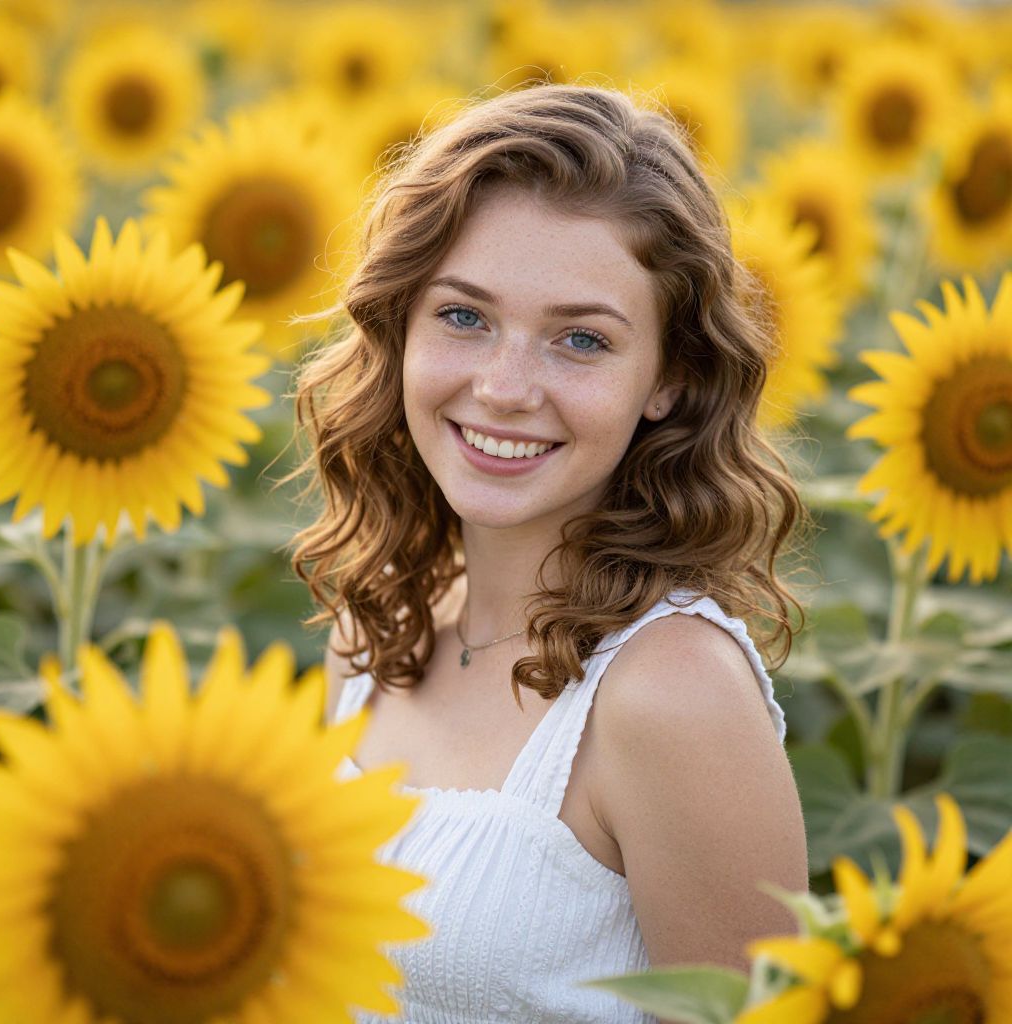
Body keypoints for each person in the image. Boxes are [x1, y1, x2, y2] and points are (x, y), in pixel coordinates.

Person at [290, 82, 810, 1024]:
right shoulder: (371, 634)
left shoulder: (670, 693)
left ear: (667, 379)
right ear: (400, 325)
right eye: (463, 316)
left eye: (580, 340)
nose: (503, 387)